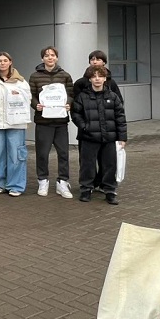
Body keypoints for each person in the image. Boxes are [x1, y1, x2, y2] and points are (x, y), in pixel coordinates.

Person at [71, 66, 127, 205]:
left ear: (105, 78)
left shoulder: (112, 96)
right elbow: (76, 114)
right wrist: (85, 127)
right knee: (87, 165)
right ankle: (86, 189)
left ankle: (110, 191)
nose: (97, 79)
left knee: (110, 165)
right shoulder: (82, 97)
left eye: (100, 76)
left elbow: (120, 117)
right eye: (94, 76)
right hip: (88, 137)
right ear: (90, 79)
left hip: (109, 138)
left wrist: (122, 137)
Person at [29, 46, 74, 199]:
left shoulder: (65, 75)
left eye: (53, 55)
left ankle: (63, 182)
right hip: (43, 121)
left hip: (61, 121)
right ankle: (43, 180)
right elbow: (31, 95)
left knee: (63, 153)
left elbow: (71, 94)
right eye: (47, 55)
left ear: (57, 57)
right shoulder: (35, 76)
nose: (50, 57)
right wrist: (36, 105)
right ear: (42, 58)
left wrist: (68, 104)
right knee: (42, 153)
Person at [0, 53, 31, 197]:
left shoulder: (21, 82)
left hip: (16, 123)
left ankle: (15, 185)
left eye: (5, 60)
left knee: (16, 155)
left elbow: (28, 100)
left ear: (10, 62)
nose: (2, 63)